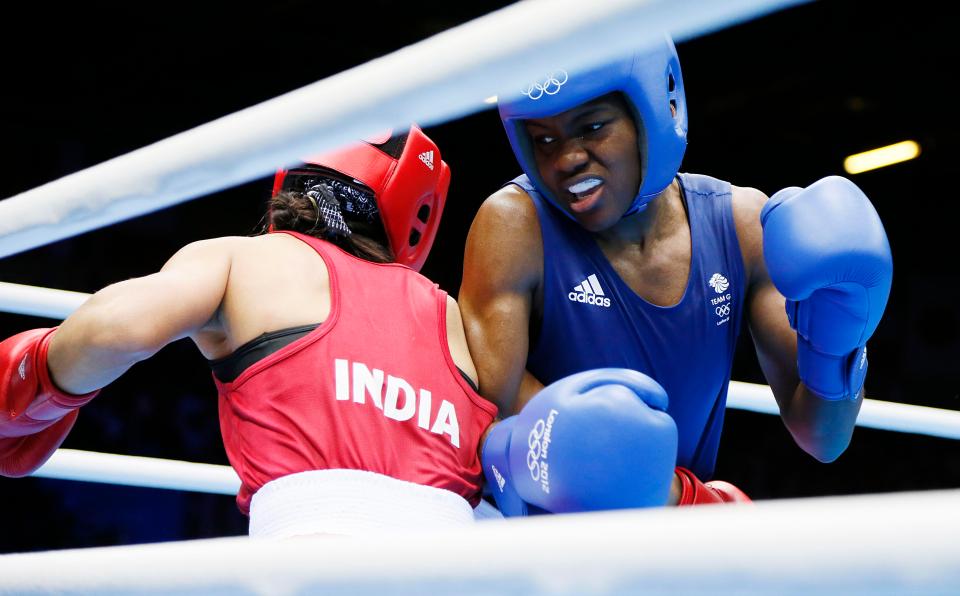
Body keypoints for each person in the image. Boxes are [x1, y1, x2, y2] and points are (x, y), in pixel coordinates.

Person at [460, 35, 892, 515]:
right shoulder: (515, 226)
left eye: (593, 127)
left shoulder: (741, 226)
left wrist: (838, 342)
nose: (566, 159)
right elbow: (488, 418)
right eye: (544, 140)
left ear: (655, 110)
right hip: (546, 543)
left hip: (668, 544)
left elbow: (823, 438)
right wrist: (681, 499)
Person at [0, 125, 499, 537]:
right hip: (458, 556)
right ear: (419, 209)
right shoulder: (451, 316)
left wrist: (27, 387)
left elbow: (114, 330)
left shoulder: (245, 260)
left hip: (312, 549)